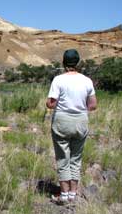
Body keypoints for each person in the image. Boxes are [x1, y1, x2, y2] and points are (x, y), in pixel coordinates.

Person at [46, 49, 97, 204]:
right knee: (76, 158)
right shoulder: (87, 81)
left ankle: (64, 194)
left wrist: (48, 103)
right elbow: (93, 105)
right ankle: (73, 194)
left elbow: (51, 104)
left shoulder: (58, 80)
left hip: (62, 121)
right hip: (80, 120)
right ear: (78, 63)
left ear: (63, 62)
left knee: (63, 157)